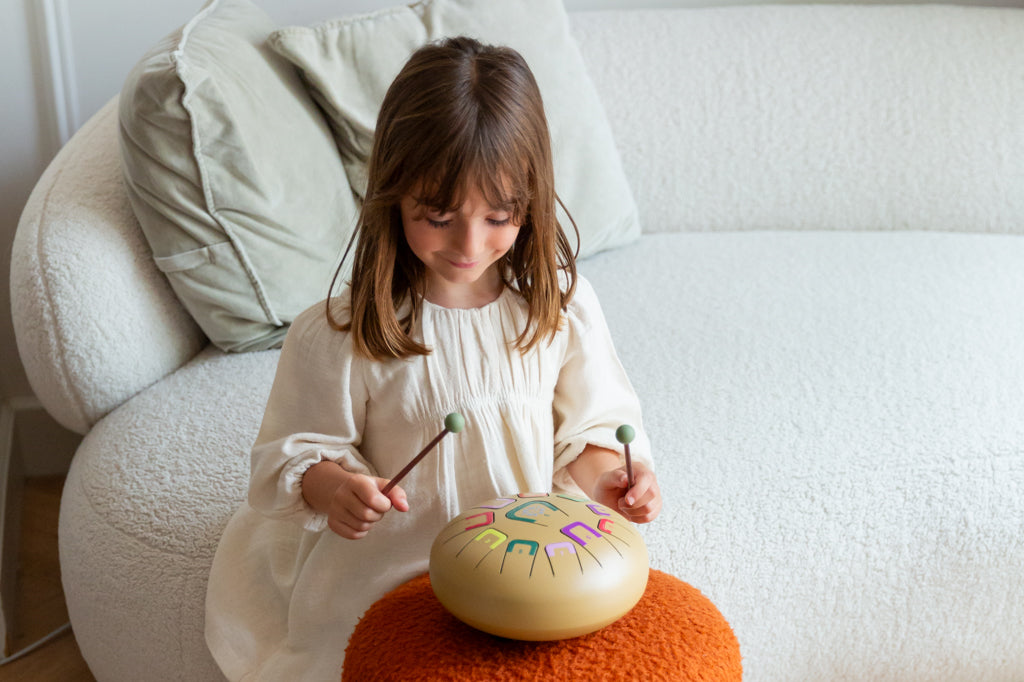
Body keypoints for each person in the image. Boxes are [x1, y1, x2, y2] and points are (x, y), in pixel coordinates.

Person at [205, 36, 661, 681]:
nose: (469, 245)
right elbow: (295, 450)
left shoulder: (560, 306)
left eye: (499, 216)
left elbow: (588, 429)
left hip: (525, 567)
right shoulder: (339, 333)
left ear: (530, 202)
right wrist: (338, 489)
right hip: (397, 569)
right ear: (394, 196)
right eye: (439, 216)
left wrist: (612, 479)